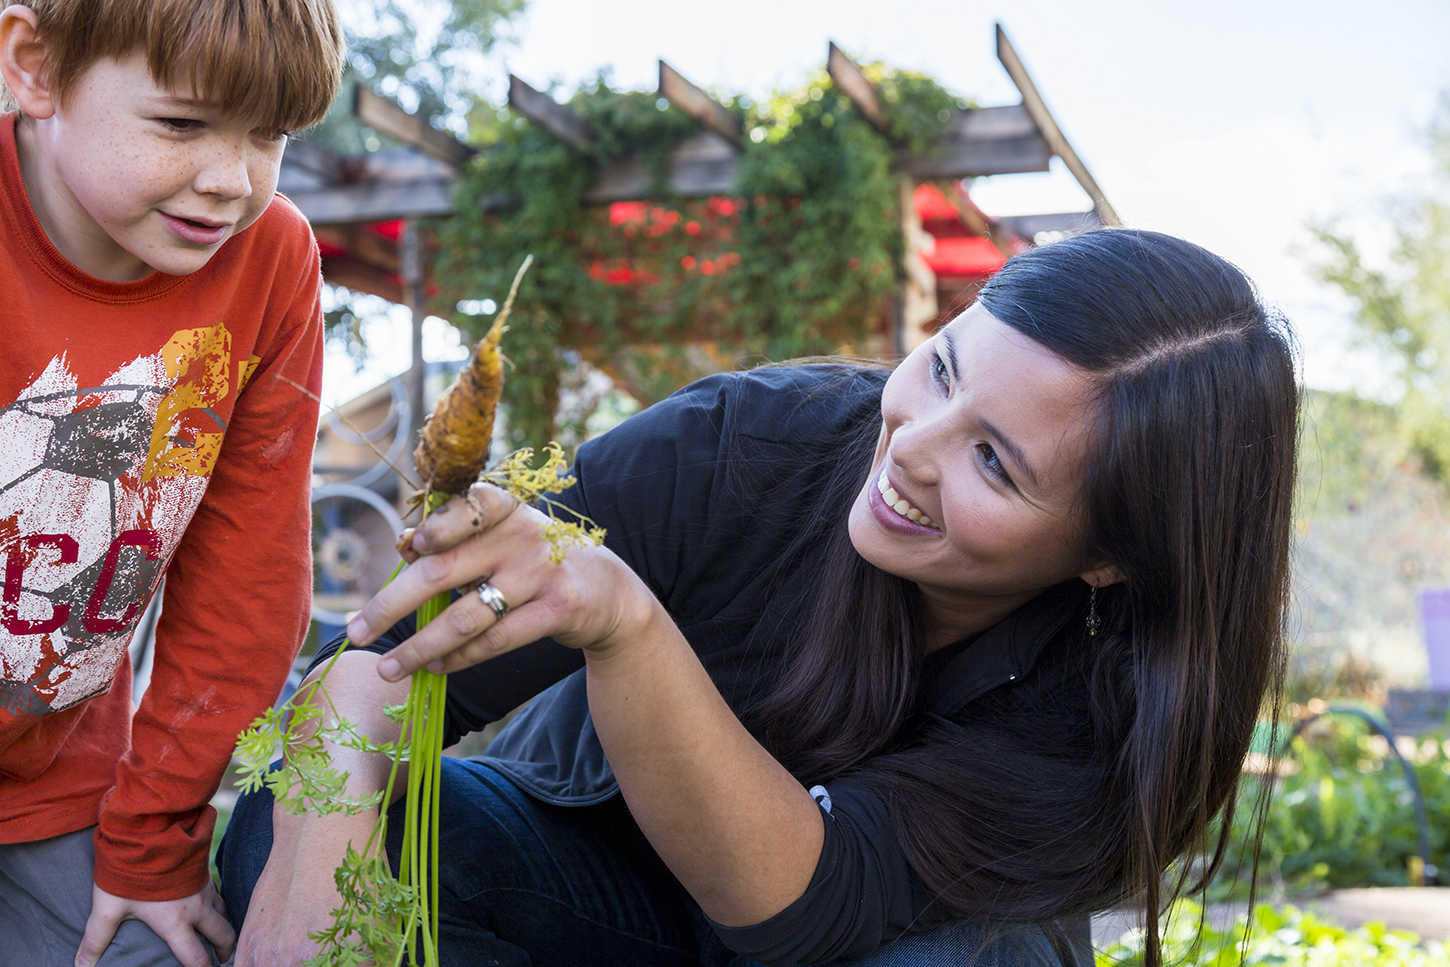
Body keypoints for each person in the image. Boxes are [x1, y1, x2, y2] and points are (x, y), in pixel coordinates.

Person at [221, 229, 1300, 967]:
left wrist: (628, 624)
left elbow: (800, 907)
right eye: (943, 368)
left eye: (994, 463)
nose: (909, 448)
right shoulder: (749, 444)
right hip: (594, 894)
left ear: (1107, 557)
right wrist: (318, 857)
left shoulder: (1115, 713)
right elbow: (377, 664)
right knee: (318, 813)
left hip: (851, 942)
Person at [0, 1, 342, 965]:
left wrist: (152, 839)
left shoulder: (269, 260)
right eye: (183, 124)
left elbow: (246, 582)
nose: (231, 180)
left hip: (62, 782)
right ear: (35, 66)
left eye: (268, 135)